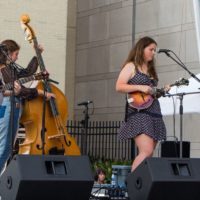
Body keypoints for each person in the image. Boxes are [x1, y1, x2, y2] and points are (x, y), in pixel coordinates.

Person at [0, 39, 55, 174]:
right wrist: (40, 92)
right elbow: (20, 91)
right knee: (4, 148)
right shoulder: (4, 69)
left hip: (11, 107)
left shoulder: (10, 69)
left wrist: (38, 55)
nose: (17, 57)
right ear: (8, 53)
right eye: (16, 54)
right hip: (9, 107)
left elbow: (26, 73)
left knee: (6, 148)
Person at [116, 36, 170, 172]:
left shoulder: (151, 69)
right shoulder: (131, 66)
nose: (154, 52)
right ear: (142, 49)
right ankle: (132, 185)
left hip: (154, 111)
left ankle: (142, 185)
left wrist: (162, 91)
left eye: (155, 50)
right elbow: (119, 86)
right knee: (146, 151)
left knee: (149, 154)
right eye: (151, 49)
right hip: (139, 113)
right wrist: (140, 87)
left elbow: (151, 94)